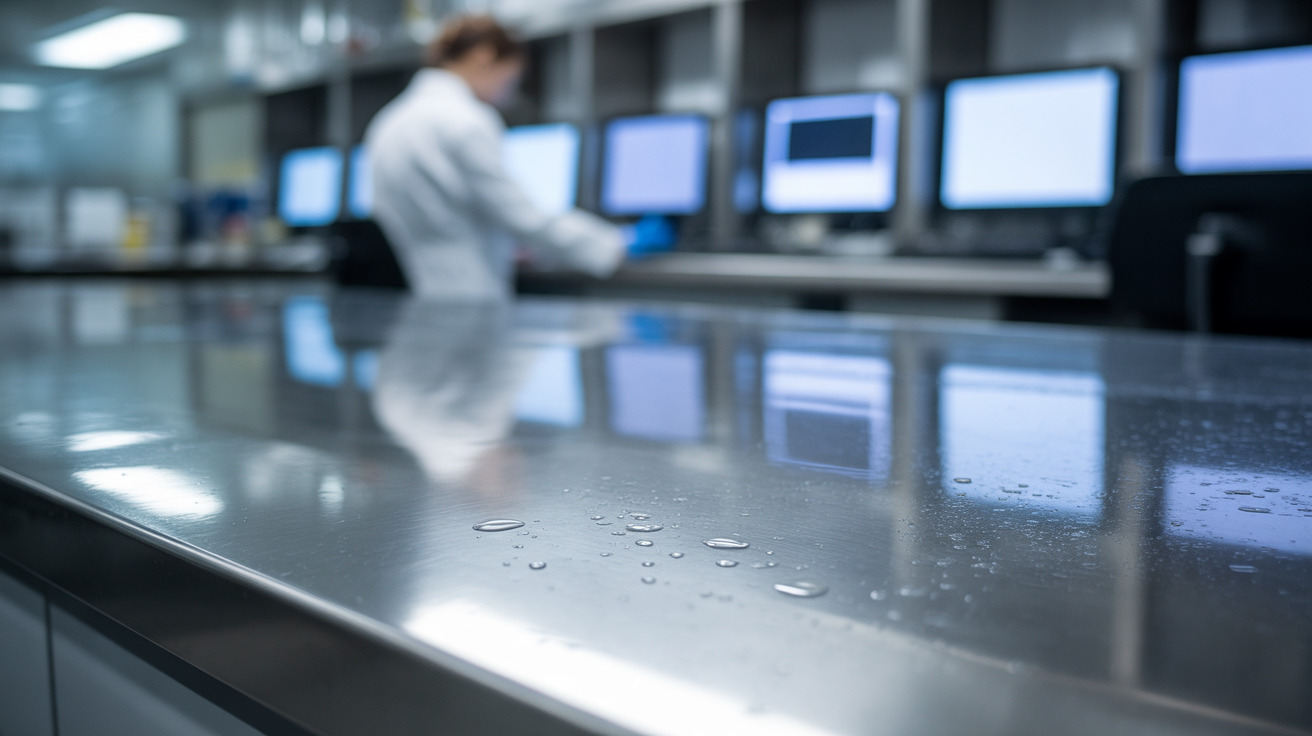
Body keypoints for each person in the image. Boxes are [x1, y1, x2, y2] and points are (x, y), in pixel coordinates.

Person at [365, 15, 625, 301]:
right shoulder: (465, 119)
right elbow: (522, 216)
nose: (508, 94)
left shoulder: (390, 120)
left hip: (425, 291)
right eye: (511, 78)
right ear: (484, 56)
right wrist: (612, 244)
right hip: (472, 295)